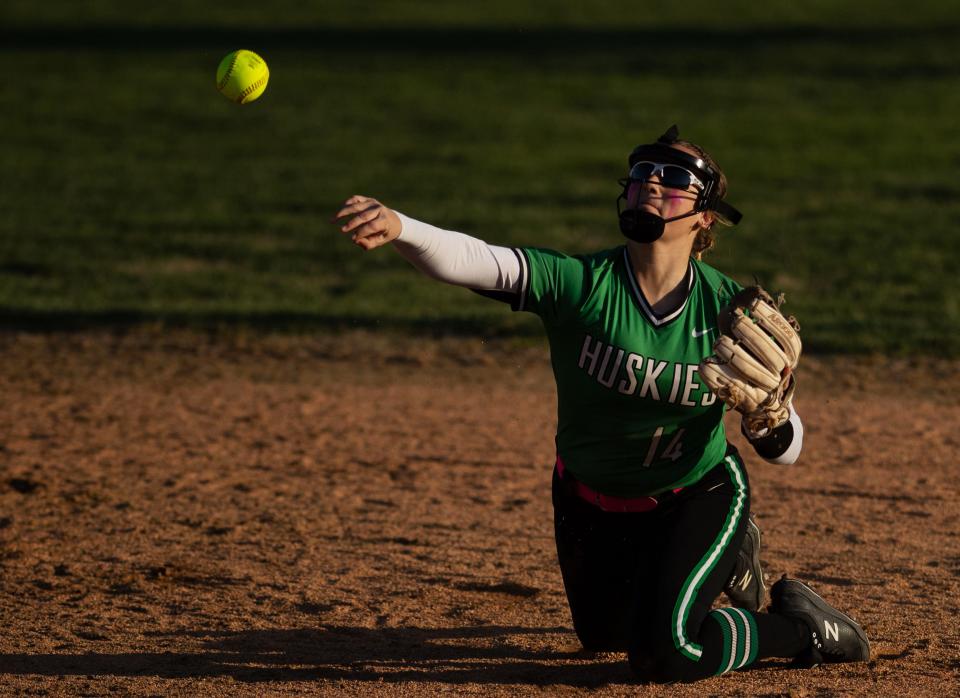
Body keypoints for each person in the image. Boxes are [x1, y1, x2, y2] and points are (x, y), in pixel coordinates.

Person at [333, 125, 869, 683]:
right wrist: (402, 227)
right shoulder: (583, 286)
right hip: (588, 503)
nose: (653, 182)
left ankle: (804, 628)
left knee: (664, 654)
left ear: (707, 214)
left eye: (676, 177)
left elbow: (787, 452)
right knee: (605, 638)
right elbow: (478, 260)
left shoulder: (727, 312)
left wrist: (770, 420)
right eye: (644, 171)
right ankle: (727, 561)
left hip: (695, 492)